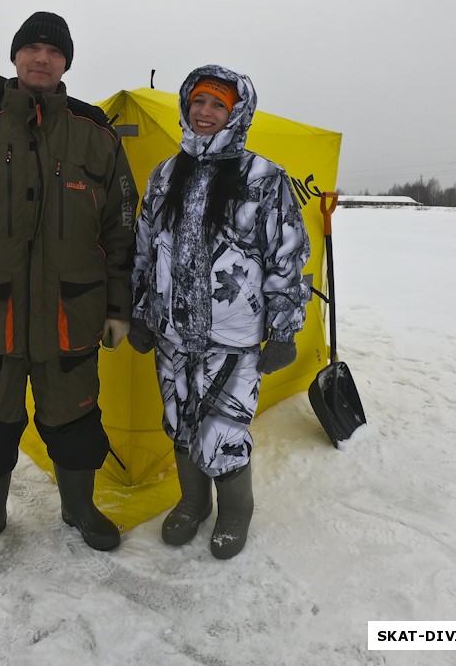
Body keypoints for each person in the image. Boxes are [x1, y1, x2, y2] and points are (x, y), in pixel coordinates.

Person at [0, 12, 138, 562]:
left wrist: (118, 306)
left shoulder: (96, 134)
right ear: (15, 57)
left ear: (66, 63)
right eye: (32, 48)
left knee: (76, 418)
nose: (42, 58)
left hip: (73, 312)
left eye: (53, 50)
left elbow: (121, 229)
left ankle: (78, 507)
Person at [128, 65, 310, 560]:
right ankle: (192, 502)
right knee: (179, 422)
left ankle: (235, 509)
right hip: (172, 334)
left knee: (223, 430)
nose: (205, 113)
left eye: (218, 105)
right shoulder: (165, 174)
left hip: (233, 338)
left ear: (237, 114)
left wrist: (284, 328)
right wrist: (142, 312)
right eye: (198, 102)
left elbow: (287, 256)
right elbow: (145, 249)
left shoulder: (264, 178)